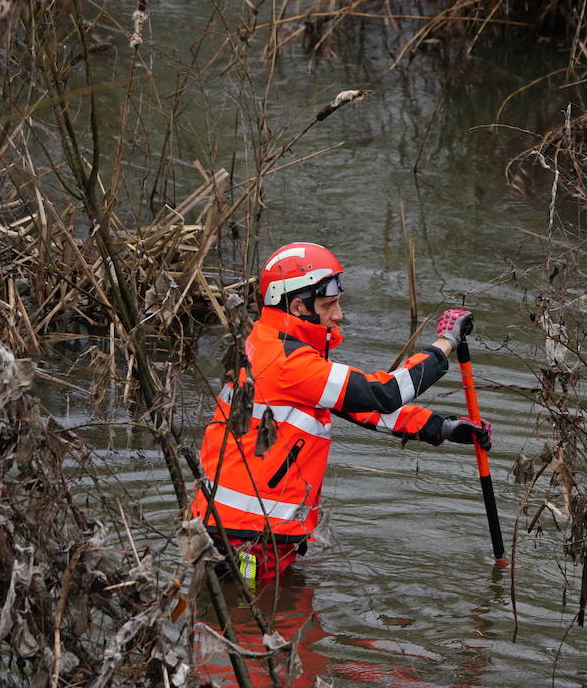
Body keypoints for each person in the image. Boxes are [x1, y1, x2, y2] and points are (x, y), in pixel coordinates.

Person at [190, 242, 491, 585]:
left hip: (241, 529)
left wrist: (443, 428)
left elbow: (361, 408)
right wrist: (445, 343)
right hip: (250, 537)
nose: (338, 315)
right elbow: (385, 393)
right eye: (329, 304)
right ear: (298, 306)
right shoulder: (289, 363)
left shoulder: (269, 344)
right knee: (258, 630)